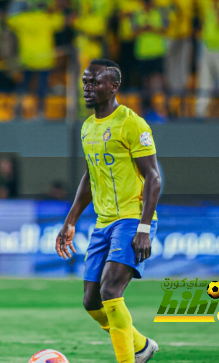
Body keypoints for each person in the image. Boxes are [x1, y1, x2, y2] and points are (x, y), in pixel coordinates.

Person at [56, 59, 161, 363]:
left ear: (113, 86)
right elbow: (90, 177)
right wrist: (70, 220)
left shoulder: (132, 123)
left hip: (131, 220)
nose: (87, 88)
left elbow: (154, 177)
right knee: (91, 302)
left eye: (95, 82)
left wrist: (143, 228)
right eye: (85, 82)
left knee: (111, 290)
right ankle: (140, 346)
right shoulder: (88, 128)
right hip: (104, 223)